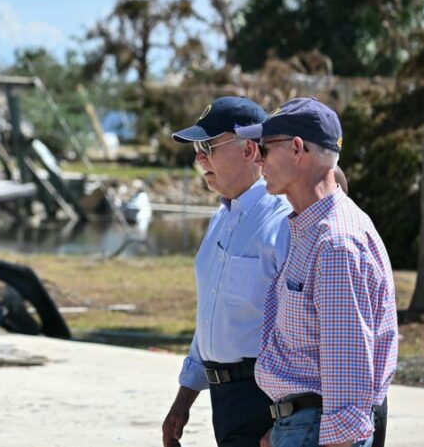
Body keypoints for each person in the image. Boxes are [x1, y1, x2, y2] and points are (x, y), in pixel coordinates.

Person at [235, 97, 398, 447]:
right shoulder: (312, 228)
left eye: (263, 148)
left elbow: (348, 380)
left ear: (297, 148)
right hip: (301, 425)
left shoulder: (336, 243)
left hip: (317, 431)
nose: (258, 159)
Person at [162, 96, 292, 447]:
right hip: (226, 400)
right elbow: (212, 316)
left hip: (267, 400)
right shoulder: (223, 218)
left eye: (208, 145)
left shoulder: (283, 222)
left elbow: (306, 332)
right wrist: (184, 397)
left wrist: (289, 423)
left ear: (250, 150)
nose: (198, 156)